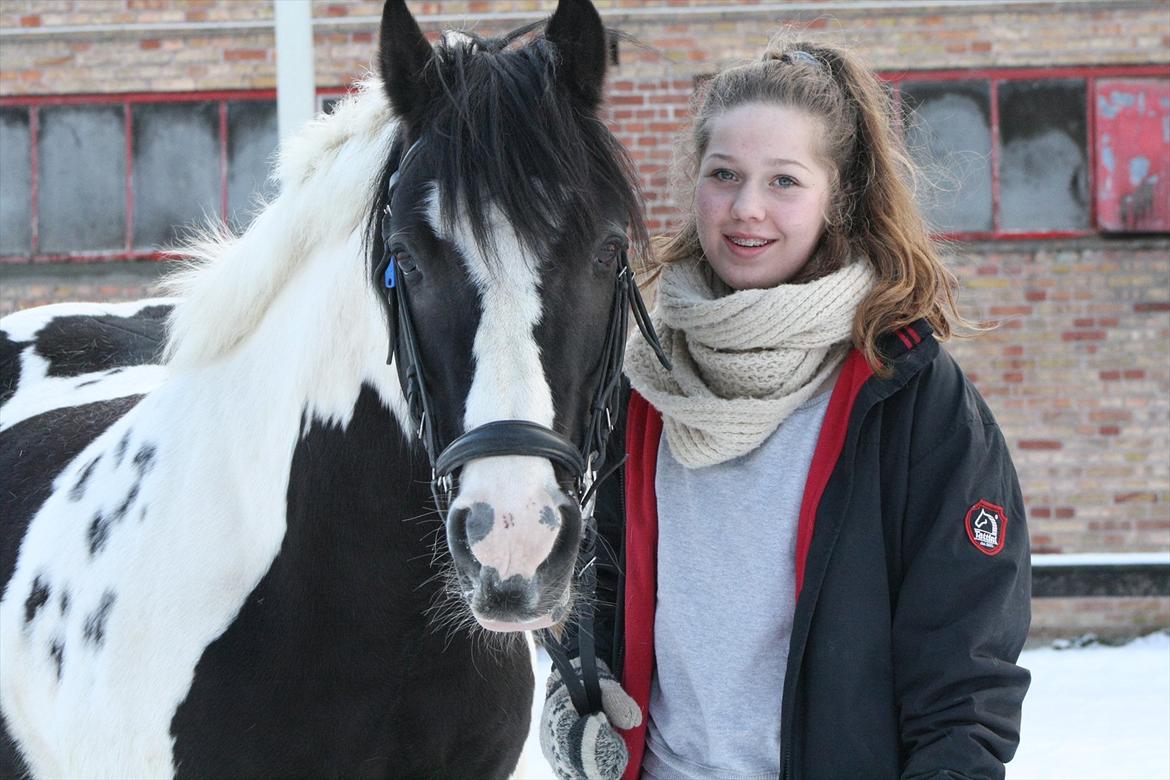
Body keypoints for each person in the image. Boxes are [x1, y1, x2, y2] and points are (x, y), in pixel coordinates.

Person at [539, 37, 1031, 780]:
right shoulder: (640, 380)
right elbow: (598, 591)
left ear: (839, 197)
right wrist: (572, 698)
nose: (746, 209)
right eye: (724, 175)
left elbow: (965, 676)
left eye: (784, 182)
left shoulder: (907, 396)